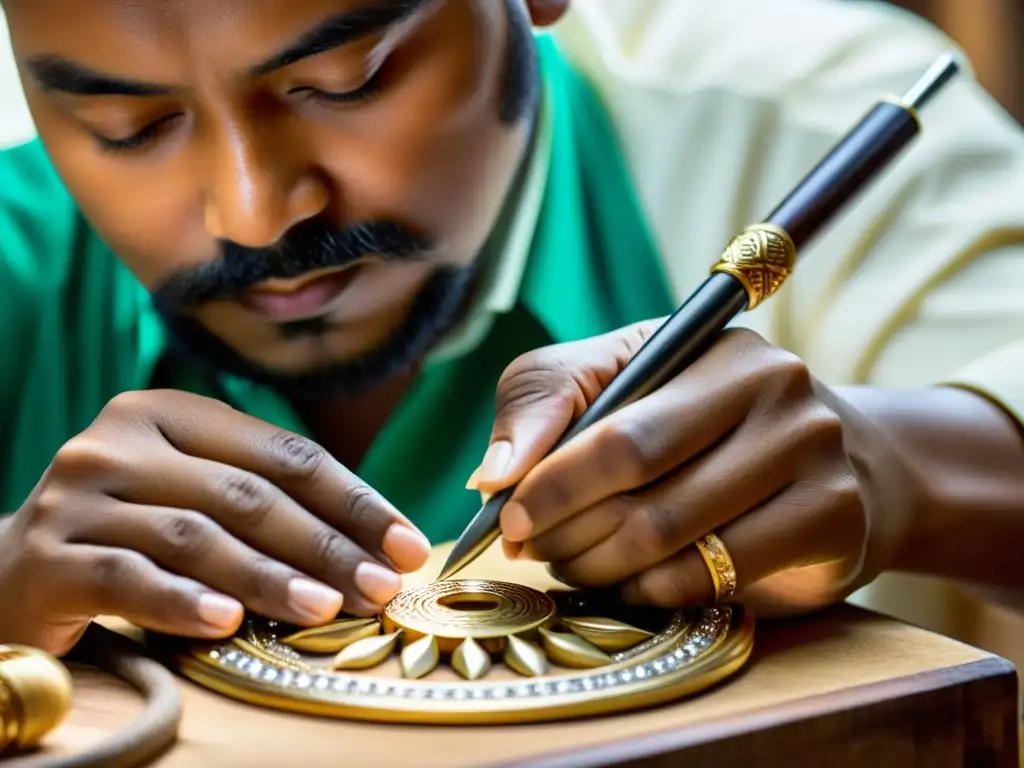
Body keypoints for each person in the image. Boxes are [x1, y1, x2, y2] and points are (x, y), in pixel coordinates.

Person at [0, 0, 1022, 658]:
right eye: (129, 128)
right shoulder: (18, 247)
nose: (257, 212)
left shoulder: (798, 111)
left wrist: (905, 470)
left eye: (347, 77)